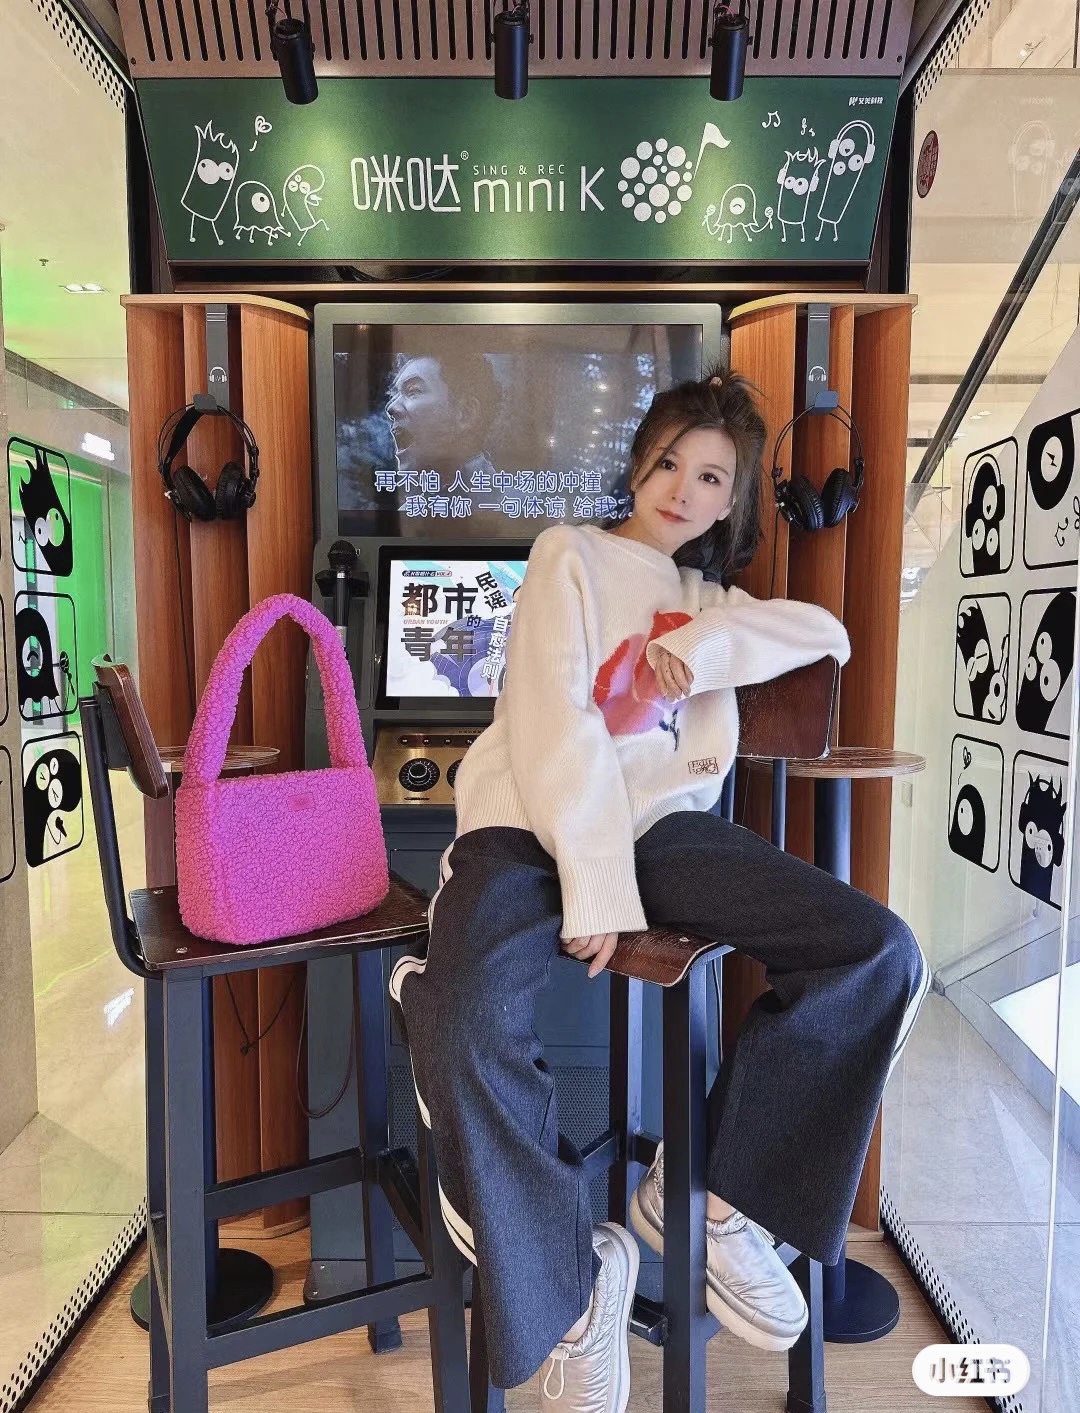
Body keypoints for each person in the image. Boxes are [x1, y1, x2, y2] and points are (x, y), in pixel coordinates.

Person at [390, 368, 929, 1411]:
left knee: (878, 951)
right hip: (524, 823)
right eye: (671, 460)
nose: (684, 488)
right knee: (459, 1021)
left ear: (733, 501)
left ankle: (710, 1195)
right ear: (639, 461)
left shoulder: (709, 601)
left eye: (712, 476)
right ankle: (576, 1289)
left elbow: (828, 634)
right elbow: (555, 722)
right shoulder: (569, 554)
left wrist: (707, 644)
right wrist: (594, 884)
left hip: (666, 834)